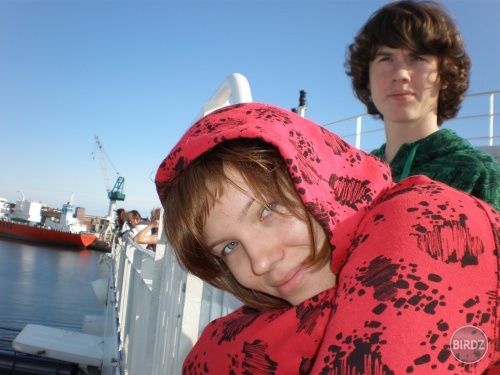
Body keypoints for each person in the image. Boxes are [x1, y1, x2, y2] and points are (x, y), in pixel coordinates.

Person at [155, 102, 500, 373]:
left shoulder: (430, 223)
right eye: (229, 247)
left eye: (267, 210)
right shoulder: (258, 332)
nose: (259, 262)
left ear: (319, 178)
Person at [345, 0, 500, 211]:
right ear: (367, 77)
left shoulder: (479, 174)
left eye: (417, 57)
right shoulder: (356, 175)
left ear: (444, 75)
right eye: (385, 59)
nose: (400, 74)